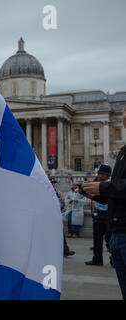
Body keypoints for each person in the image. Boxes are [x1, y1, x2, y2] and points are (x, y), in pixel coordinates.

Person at [82, 106, 126, 299]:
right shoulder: (124, 151)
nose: (123, 116)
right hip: (117, 231)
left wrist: (103, 188)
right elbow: (117, 191)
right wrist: (96, 194)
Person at [85, 164, 112, 266]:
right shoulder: (97, 184)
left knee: (109, 239)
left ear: (107, 175)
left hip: (108, 214)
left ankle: (113, 259)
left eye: (101, 174)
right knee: (97, 238)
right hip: (98, 213)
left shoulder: (110, 185)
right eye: (98, 173)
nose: (98, 175)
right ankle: (97, 258)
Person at [51, 178, 74, 257]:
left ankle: (65, 250)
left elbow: (62, 203)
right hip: (50, 217)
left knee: (61, 234)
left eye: (54, 183)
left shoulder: (57, 192)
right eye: (52, 183)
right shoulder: (47, 192)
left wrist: (62, 207)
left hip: (57, 215)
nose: (53, 185)